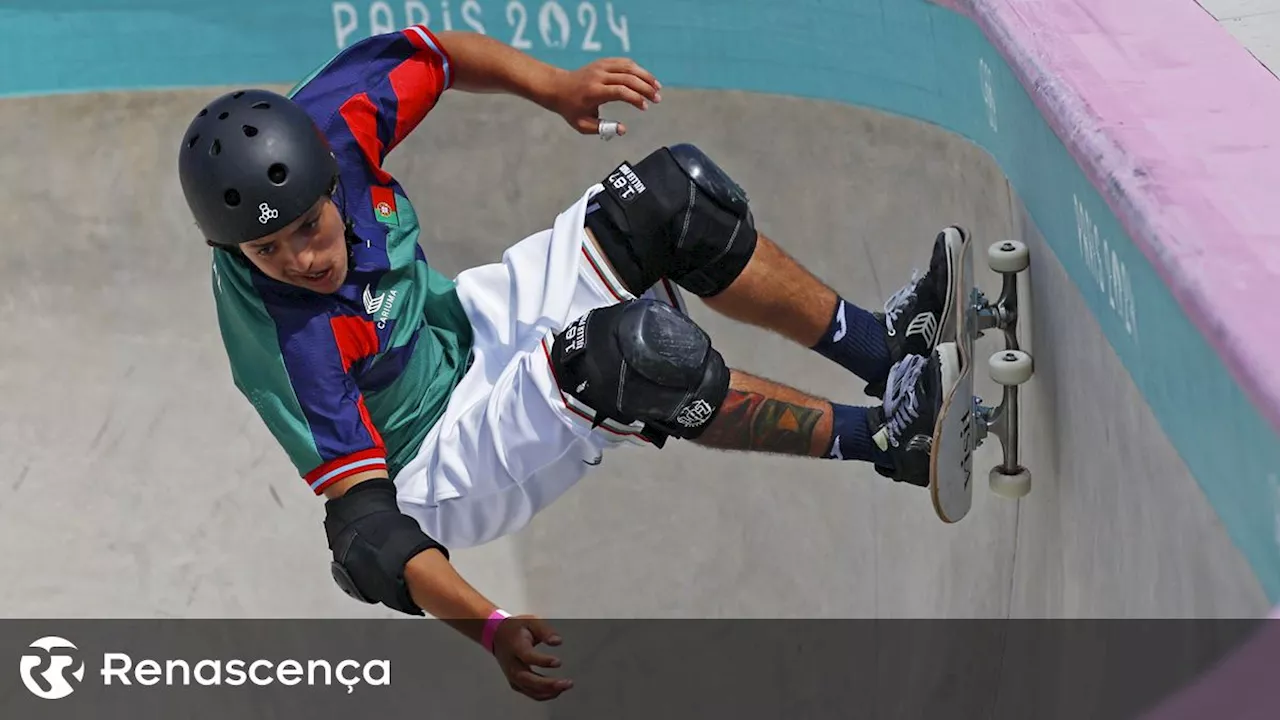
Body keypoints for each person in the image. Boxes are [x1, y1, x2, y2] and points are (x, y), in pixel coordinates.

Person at [177, 25, 963, 701]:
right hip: (440, 463)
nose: (300, 260)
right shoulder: (288, 342)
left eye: (309, 228)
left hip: (462, 329)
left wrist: (555, 87)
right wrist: (487, 627)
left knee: (671, 198)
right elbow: (368, 533)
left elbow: (438, 55)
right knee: (631, 357)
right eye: (265, 250)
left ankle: (881, 346)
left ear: (327, 176)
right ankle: (890, 440)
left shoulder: (334, 122)